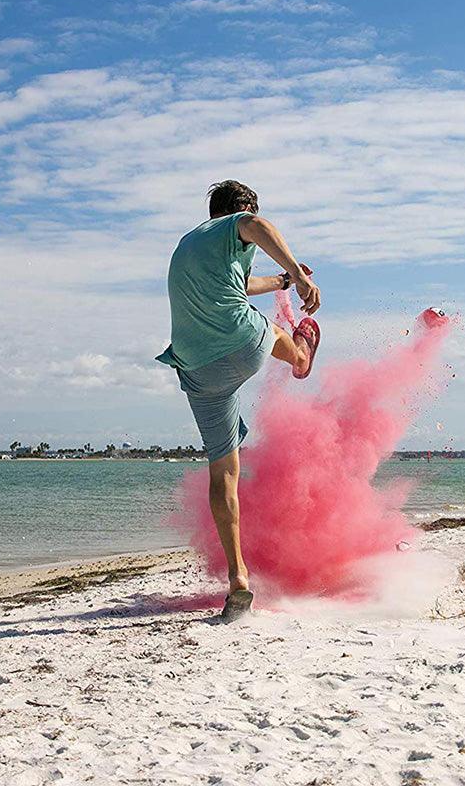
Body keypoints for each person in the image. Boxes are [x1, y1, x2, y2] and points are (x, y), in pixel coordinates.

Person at [156, 180, 321, 620]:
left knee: (223, 472)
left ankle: (238, 579)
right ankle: (300, 358)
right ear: (238, 210)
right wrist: (302, 279)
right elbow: (257, 225)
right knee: (267, 333)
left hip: (196, 370)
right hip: (237, 342)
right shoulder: (237, 223)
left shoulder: (194, 247)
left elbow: (242, 284)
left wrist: (284, 280)